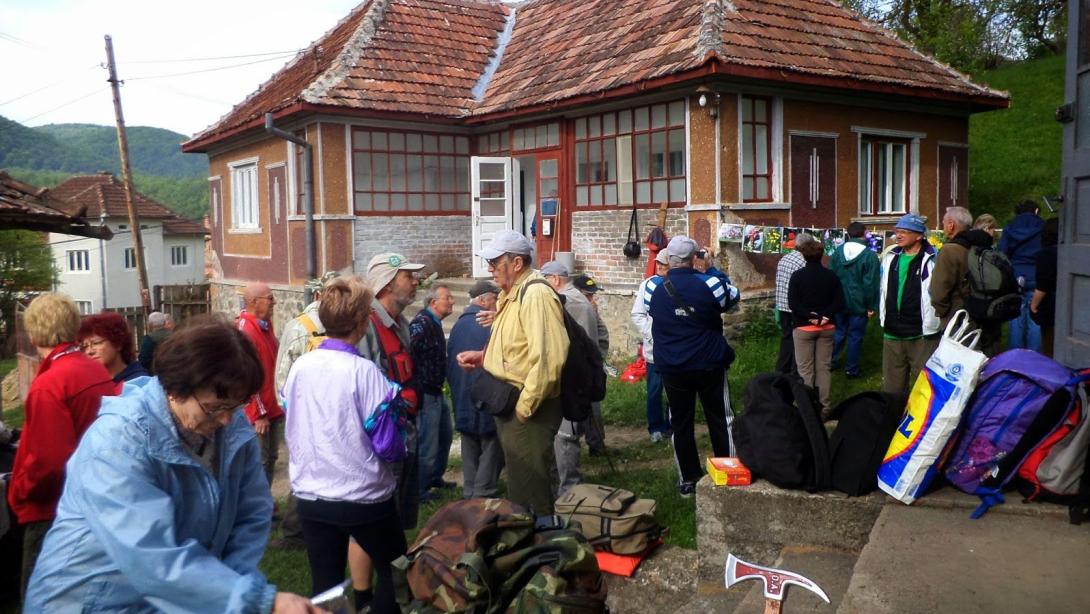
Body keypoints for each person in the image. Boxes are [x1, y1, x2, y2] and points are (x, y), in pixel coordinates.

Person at [25, 318, 322, 614]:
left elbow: (251, 514)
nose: (227, 420)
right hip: (91, 602)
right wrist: (260, 602)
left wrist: (234, 589)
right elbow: (151, 558)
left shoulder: (231, 428)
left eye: (236, 405)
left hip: (175, 600)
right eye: (215, 407)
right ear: (176, 388)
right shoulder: (116, 443)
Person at [283, 276, 408, 614]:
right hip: (363, 495)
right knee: (396, 575)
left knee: (325, 585)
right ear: (363, 322)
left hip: (311, 495)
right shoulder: (365, 372)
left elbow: (292, 415)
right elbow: (388, 444)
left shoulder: (301, 366)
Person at [8, 293, 115, 599]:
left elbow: (49, 462)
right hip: (92, 500)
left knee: (41, 596)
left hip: (52, 510)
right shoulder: (92, 368)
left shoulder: (51, 383)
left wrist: (21, 491)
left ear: (32, 332)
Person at [455, 230, 568, 514]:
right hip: (512, 402)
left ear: (516, 263)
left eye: (495, 262)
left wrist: (524, 408)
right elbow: (519, 346)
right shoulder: (513, 294)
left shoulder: (536, 294)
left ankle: (542, 549)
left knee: (529, 493)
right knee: (521, 485)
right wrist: (484, 357)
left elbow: (549, 359)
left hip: (527, 407)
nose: (490, 269)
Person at [648, 236, 741, 497]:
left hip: (672, 367)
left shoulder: (655, 288)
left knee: (680, 423)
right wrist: (710, 267)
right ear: (693, 258)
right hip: (708, 362)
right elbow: (733, 296)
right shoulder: (710, 283)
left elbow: (650, 312)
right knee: (721, 418)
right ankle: (729, 473)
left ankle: (688, 480)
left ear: (669, 260)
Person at [271, 272, 336, 551]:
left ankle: (324, 525)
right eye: (334, 294)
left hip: (333, 413)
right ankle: (295, 531)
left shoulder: (342, 324)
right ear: (320, 295)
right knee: (306, 471)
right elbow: (283, 379)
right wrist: (296, 417)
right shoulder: (300, 327)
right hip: (307, 417)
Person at [543, 261, 603, 496]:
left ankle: (569, 489)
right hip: (582, 373)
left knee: (565, 435)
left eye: (545, 282)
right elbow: (602, 335)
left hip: (572, 376)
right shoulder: (578, 299)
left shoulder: (570, 302)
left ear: (555, 280)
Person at [447, 280, 505, 499]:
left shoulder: (458, 325)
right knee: (491, 447)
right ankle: (483, 495)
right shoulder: (487, 324)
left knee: (469, 445)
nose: (497, 303)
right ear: (483, 300)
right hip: (486, 397)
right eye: (494, 298)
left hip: (462, 396)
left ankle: (469, 493)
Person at [880, 214, 940, 394]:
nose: (898, 235)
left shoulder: (933, 259)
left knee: (925, 388)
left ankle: (920, 422)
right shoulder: (890, 256)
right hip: (892, 333)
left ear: (919, 235)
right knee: (892, 389)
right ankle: (893, 420)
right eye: (897, 231)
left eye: (904, 232)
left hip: (921, 333)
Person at [930, 206, 1001, 356]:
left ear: (951, 225)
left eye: (944, 223)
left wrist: (943, 315)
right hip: (987, 317)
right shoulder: (985, 247)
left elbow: (938, 291)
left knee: (959, 370)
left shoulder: (950, 250)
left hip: (959, 319)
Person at [236, 282, 286, 490]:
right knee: (259, 461)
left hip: (271, 408)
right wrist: (258, 414)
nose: (274, 302)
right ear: (254, 302)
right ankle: (258, 508)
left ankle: (266, 504)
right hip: (258, 414)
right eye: (270, 298)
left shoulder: (264, 327)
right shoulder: (245, 331)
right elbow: (245, 376)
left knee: (271, 457)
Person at [410, 283, 457, 502]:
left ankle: (434, 477)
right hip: (426, 393)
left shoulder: (434, 323)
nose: (452, 301)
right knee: (428, 444)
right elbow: (409, 350)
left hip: (437, 391)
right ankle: (419, 491)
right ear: (433, 302)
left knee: (445, 436)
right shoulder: (421, 323)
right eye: (447, 297)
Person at [789, 239, 845, 414]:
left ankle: (807, 409)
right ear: (822, 255)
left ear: (803, 255)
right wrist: (824, 316)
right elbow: (839, 302)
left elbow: (793, 303)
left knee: (805, 370)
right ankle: (825, 408)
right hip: (827, 328)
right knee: (824, 368)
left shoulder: (797, 276)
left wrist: (809, 316)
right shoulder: (831, 276)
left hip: (804, 328)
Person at [631, 250, 672, 443]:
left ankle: (673, 426)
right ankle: (655, 427)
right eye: (659, 263)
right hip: (654, 350)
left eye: (665, 264)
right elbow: (637, 315)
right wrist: (652, 334)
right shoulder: (647, 285)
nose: (661, 267)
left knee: (675, 390)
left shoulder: (677, 285)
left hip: (675, 349)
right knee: (655, 390)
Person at [830, 223, 879, 378]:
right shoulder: (869, 255)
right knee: (855, 336)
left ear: (848, 234)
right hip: (859, 303)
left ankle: (830, 362)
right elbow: (871, 283)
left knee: (838, 332)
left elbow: (831, 277)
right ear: (864, 233)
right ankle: (851, 369)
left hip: (838, 300)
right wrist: (871, 305)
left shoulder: (837, 253)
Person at [570, 272, 609, 452]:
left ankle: (597, 443)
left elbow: (602, 335)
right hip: (576, 368)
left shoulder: (591, 310)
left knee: (595, 407)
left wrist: (599, 359)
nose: (591, 299)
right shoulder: (572, 309)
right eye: (587, 295)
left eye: (592, 295)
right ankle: (572, 442)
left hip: (593, 367)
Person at [999, 199, 1045, 351]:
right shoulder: (1042, 226)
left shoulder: (1010, 227)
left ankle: (1014, 358)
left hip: (1016, 276)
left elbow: (1002, 253)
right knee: (1035, 319)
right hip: (1037, 276)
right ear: (1036, 211)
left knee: (1015, 319)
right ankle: (1034, 359)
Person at [77, 311, 149, 388]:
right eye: (84, 347)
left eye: (96, 343)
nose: (89, 351)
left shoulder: (140, 383)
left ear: (118, 343)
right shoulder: (89, 382)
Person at [774, 233, 813, 375]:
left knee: (786, 337)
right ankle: (795, 371)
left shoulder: (784, 258)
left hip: (782, 305)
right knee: (798, 341)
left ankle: (781, 369)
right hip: (795, 307)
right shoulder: (803, 261)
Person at [1030, 217, 1060, 357]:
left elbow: (1043, 284)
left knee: (1050, 344)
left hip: (1051, 305)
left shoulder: (1046, 254)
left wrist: (1034, 304)